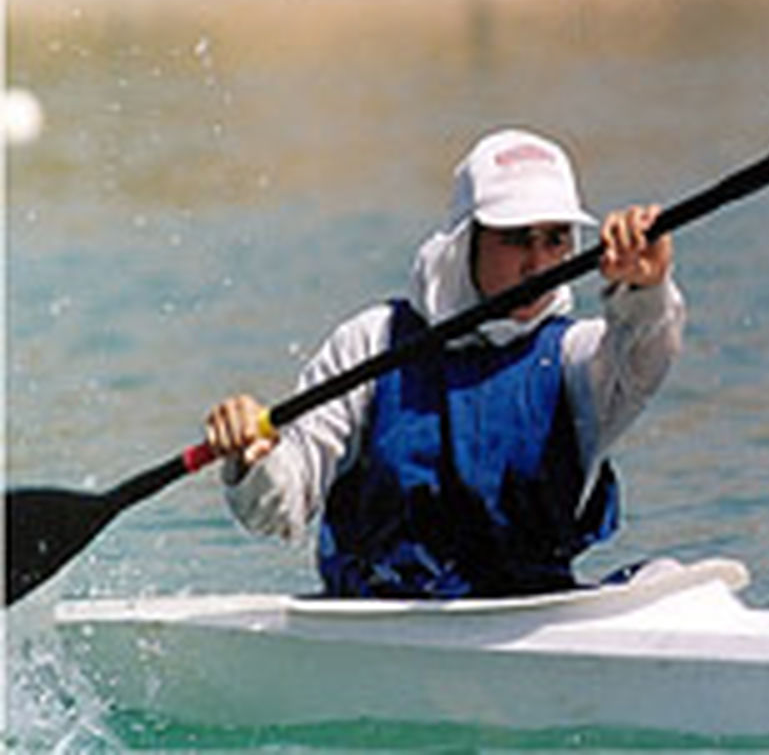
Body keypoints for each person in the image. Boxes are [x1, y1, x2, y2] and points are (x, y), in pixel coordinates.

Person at [205, 129, 685, 598]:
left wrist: (647, 289)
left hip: (528, 617)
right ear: (466, 242)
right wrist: (253, 458)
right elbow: (279, 509)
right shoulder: (371, 345)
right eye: (517, 239)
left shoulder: (576, 357)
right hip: (382, 622)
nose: (539, 265)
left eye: (555, 239)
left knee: (670, 577)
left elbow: (645, 354)